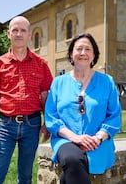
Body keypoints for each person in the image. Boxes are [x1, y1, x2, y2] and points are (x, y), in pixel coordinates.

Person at [45, 33, 121, 184]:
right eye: (78, 49)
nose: (83, 53)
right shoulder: (58, 83)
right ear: (71, 55)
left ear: (94, 55)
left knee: (74, 166)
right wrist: (75, 138)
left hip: (98, 141)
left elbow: (114, 116)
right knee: (72, 158)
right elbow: (51, 117)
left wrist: (97, 138)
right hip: (65, 139)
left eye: (88, 49)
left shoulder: (107, 81)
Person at [0, 16, 53, 184]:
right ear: (8, 34)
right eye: (14, 30)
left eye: (23, 30)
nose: (18, 34)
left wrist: (47, 123)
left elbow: (46, 95)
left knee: (25, 174)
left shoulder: (41, 64)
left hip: (32, 125)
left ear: (29, 34)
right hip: (5, 125)